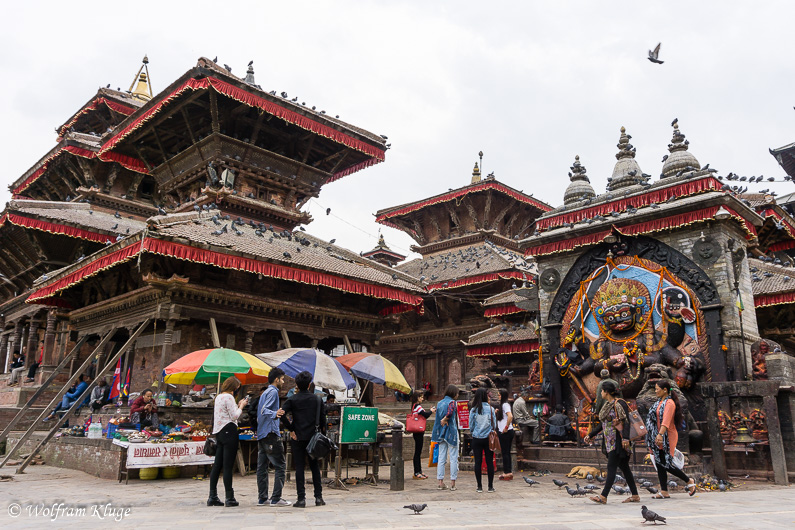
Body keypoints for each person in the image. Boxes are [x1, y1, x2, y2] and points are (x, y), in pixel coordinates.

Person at [584, 381, 640, 504]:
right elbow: (602, 424)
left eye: (602, 391)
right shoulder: (607, 405)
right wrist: (591, 434)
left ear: (607, 392)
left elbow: (626, 422)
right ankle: (635, 495)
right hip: (610, 440)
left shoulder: (620, 403)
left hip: (618, 441)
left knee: (611, 467)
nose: (601, 393)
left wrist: (625, 439)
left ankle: (603, 496)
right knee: (625, 469)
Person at [280, 370, 326, 508]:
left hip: (298, 437)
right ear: (310, 384)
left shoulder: (292, 399)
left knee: (299, 467)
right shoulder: (317, 399)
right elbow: (323, 420)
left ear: (297, 385)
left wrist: (291, 429)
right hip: (314, 438)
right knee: (314, 467)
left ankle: (301, 499)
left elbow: (281, 414)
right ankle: (318, 498)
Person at [645, 379, 697, 498]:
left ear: (665, 390)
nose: (655, 391)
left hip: (666, 436)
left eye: (657, 389)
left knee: (666, 463)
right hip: (657, 435)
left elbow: (666, 421)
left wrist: (660, 434)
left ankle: (688, 480)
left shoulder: (669, 403)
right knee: (659, 462)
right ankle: (664, 490)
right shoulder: (659, 402)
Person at [208, 376, 248, 507]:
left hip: (219, 432)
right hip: (229, 431)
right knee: (227, 466)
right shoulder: (229, 397)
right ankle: (229, 497)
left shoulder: (218, 397)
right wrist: (241, 406)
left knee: (217, 465)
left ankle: (212, 495)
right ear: (234, 388)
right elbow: (234, 416)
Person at [257, 367, 291, 507]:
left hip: (262, 433)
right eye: (282, 379)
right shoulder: (273, 392)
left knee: (262, 467)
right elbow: (265, 410)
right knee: (280, 465)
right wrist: (275, 414)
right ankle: (276, 498)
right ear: (277, 379)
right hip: (271, 433)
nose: (283, 381)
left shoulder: (264, 393)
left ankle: (262, 498)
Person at [431, 384, 459, 491]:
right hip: (451, 432)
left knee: (441, 458)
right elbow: (450, 411)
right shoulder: (452, 402)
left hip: (440, 433)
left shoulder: (440, 403)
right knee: (453, 458)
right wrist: (446, 418)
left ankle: (440, 482)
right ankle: (452, 483)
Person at [469, 387, 497, 493]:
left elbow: (471, 425)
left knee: (478, 462)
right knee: (489, 462)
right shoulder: (490, 409)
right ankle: (490, 486)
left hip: (476, 438)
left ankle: (479, 486)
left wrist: (474, 432)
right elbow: (494, 423)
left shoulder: (474, 409)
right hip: (488, 438)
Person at [410, 390, 435, 480]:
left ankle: (419, 471)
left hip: (418, 432)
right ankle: (417, 472)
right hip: (418, 432)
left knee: (418, 452)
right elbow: (425, 415)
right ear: (417, 398)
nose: (422, 398)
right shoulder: (417, 406)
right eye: (421, 397)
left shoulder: (415, 406)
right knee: (417, 452)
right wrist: (431, 411)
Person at [495, 388, 514, 480]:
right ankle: (507, 471)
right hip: (504, 431)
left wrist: (506, 427)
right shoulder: (502, 405)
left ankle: (507, 472)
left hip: (506, 431)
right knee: (506, 452)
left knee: (505, 452)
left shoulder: (505, 404)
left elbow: (510, 416)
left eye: (499, 395)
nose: (498, 396)